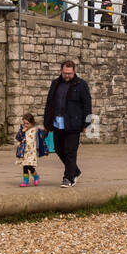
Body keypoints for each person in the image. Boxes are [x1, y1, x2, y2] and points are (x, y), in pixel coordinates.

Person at [43, 59, 93, 188]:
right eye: (65, 73)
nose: (67, 75)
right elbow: (49, 103)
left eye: (69, 73)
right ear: (61, 71)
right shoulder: (55, 83)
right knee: (59, 150)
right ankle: (75, 171)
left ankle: (68, 178)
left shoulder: (81, 85)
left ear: (74, 71)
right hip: (57, 123)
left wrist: (86, 124)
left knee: (70, 152)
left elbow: (87, 105)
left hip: (73, 124)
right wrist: (46, 123)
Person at [14, 112, 48, 187]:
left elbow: (43, 135)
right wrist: (21, 131)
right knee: (25, 166)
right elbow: (18, 138)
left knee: (29, 166)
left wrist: (46, 129)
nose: (25, 125)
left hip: (32, 152)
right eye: (24, 123)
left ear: (32, 123)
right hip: (24, 152)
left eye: (27, 123)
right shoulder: (23, 130)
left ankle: (36, 176)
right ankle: (25, 181)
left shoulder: (36, 130)